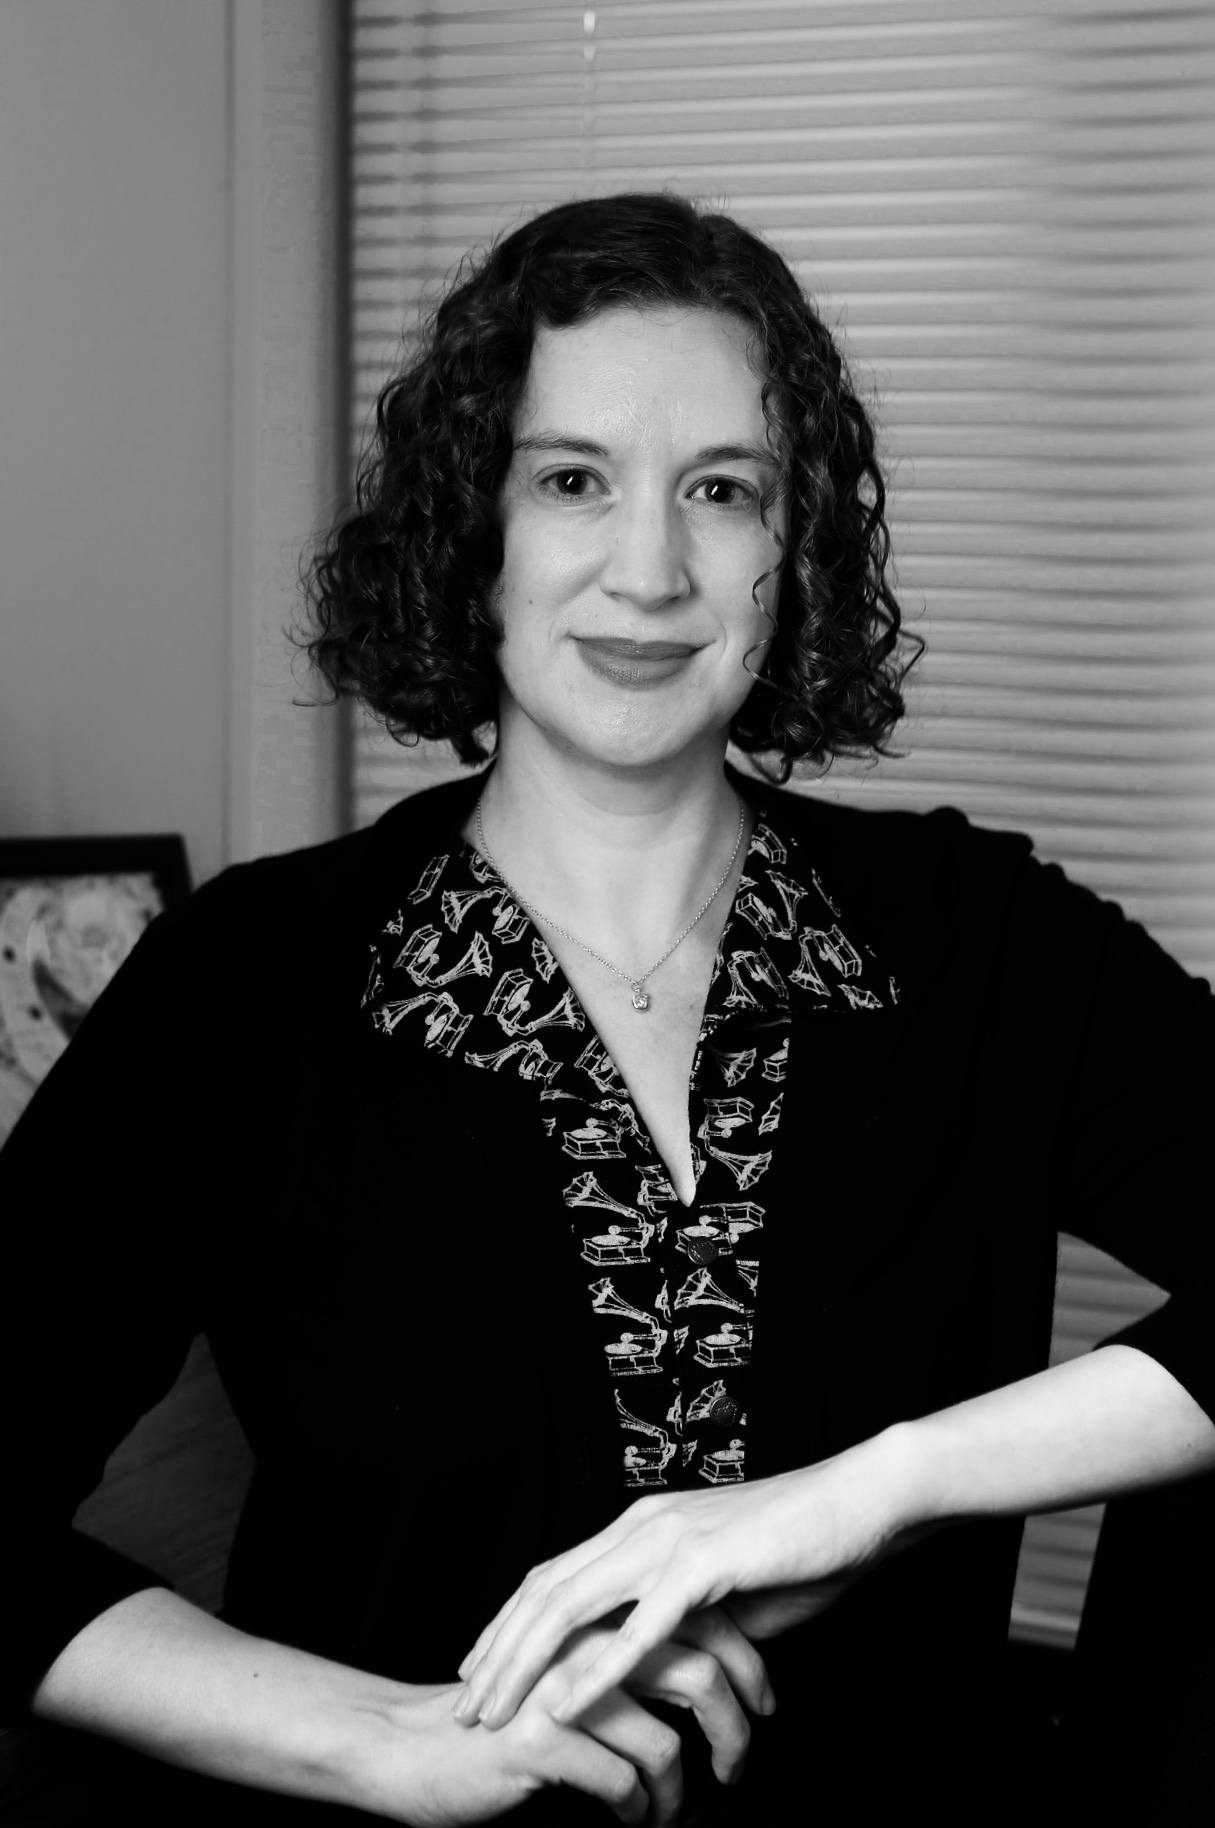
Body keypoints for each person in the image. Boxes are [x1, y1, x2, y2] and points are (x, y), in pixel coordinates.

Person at [1, 191, 1213, 1826]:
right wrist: (376, 1735)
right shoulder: (253, 980)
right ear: (473, 531)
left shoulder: (978, 939)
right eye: (572, 480)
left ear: (794, 550)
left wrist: (877, 1490)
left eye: (723, 489)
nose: (649, 572)